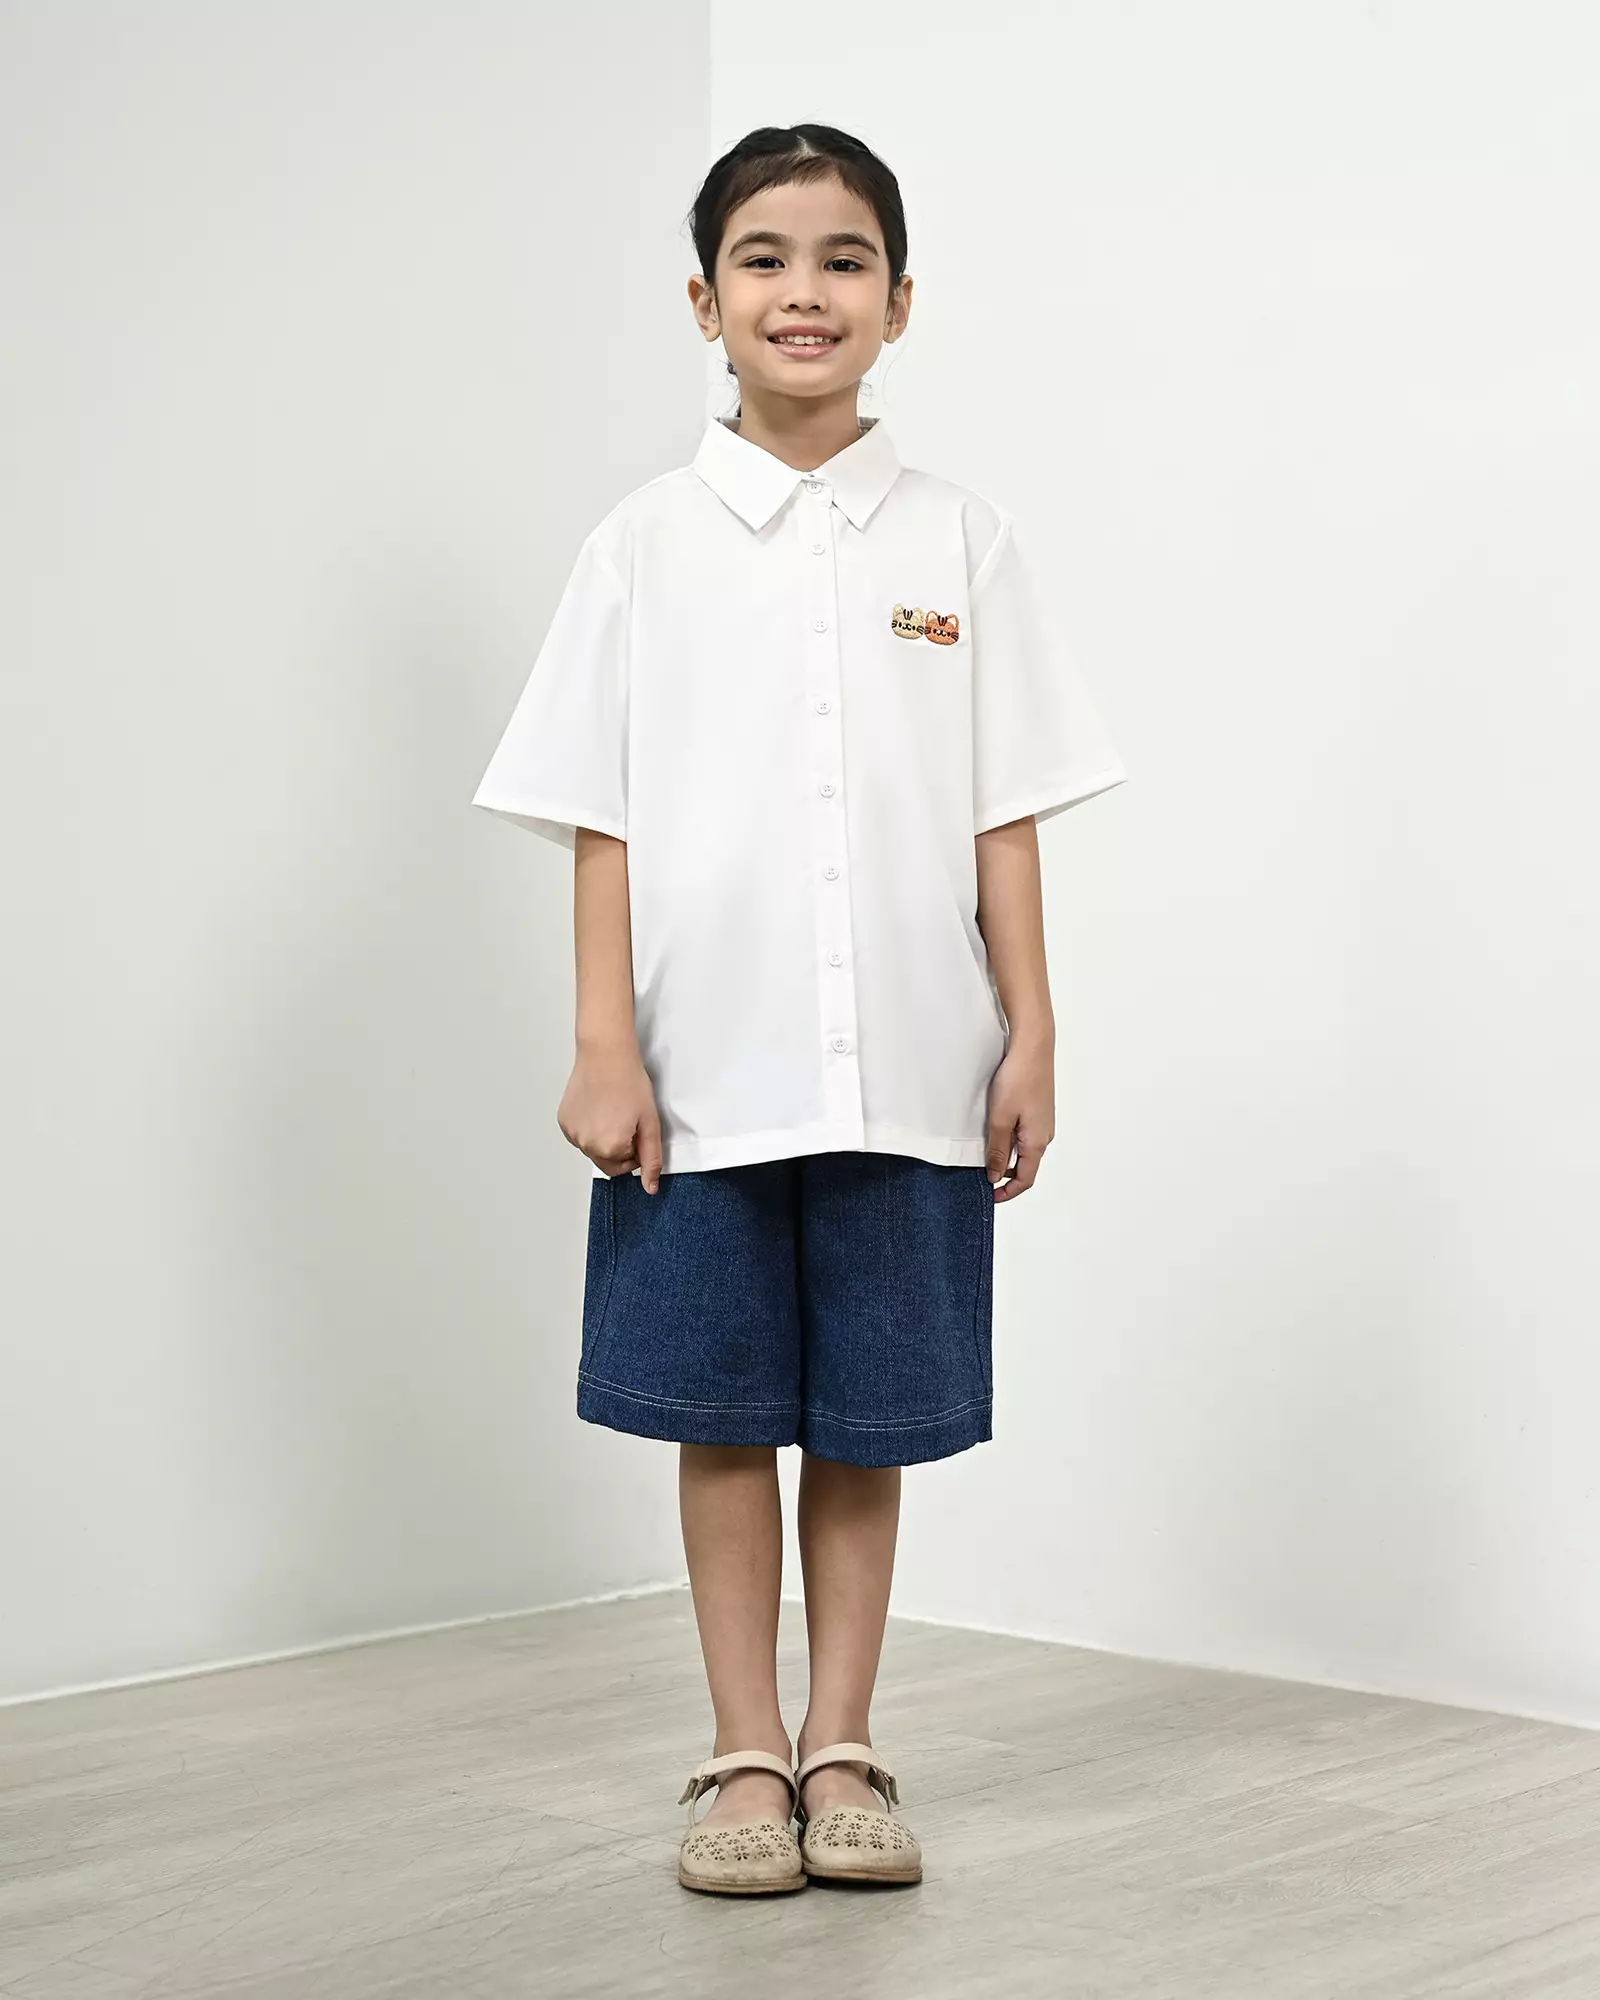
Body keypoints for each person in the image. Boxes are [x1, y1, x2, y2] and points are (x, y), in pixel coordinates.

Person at [472, 123, 1127, 1896]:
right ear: (704, 301)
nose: (805, 291)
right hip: (704, 1074)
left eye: (846, 259)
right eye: (763, 258)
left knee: (867, 1422)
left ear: (900, 302)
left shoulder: (962, 541)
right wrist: (602, 1042)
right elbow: (600, 817)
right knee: (722, 1411)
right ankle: (742, 1752)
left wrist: (1033, 1028)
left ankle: (845, 1744)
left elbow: (1003, 810)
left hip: (912, 1067)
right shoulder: (642, 546)